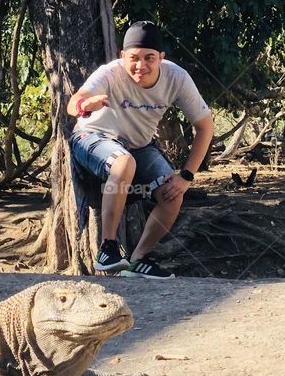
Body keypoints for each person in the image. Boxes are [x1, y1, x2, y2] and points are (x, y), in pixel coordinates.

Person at [65, 20, 214, 279]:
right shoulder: (110, 73)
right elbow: (73, 103)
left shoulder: (176, 78)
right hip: (91, 137)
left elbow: (205, 127)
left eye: (149, 58)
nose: (140, 66)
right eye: (133, 58)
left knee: (173, 193)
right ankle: (108, 249)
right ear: (122, 56)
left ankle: (139, 260)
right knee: (124, 162)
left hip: (140, 146)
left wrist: (186, 176)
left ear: (161, 58)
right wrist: (85, 105)